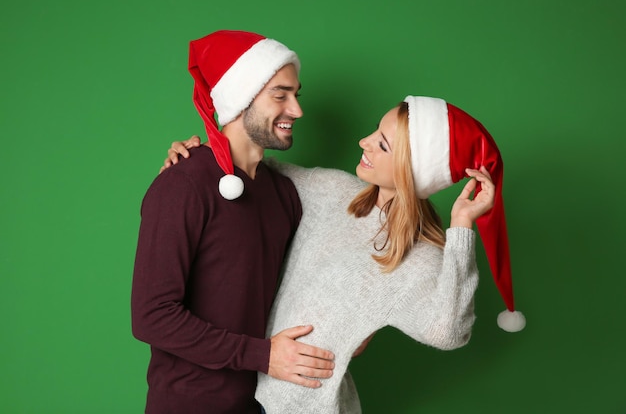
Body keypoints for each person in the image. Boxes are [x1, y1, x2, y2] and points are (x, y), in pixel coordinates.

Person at [164, 96, 526, 413]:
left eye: (382, 145)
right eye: (375, 131)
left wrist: (461, 227)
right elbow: (254, 169)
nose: (364, 142)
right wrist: (200, 156)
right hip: (248, 392)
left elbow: (448, 333)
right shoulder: (331, 190)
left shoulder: (421, 256)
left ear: (411, 170)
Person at [131, 30, 335, 414]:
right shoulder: (183, 184)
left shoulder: (283, 194)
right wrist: (263, 355)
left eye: (296, 94)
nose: (297, 110)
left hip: (264, 403)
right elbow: (151, 317)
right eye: (280, 95)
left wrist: (349, 330)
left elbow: (301, 286)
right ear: (241, 98)